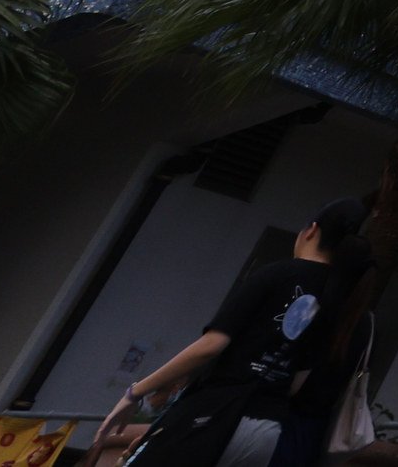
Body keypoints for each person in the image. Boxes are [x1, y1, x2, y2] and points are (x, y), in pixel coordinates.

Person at [101, 197, 378, 467]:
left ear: (311, 231)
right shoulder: (341, 302)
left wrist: (134, 393)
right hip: (266, 432)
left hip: (214, 415)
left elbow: (212, 344)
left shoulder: (278, 274)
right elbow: (297, 383)